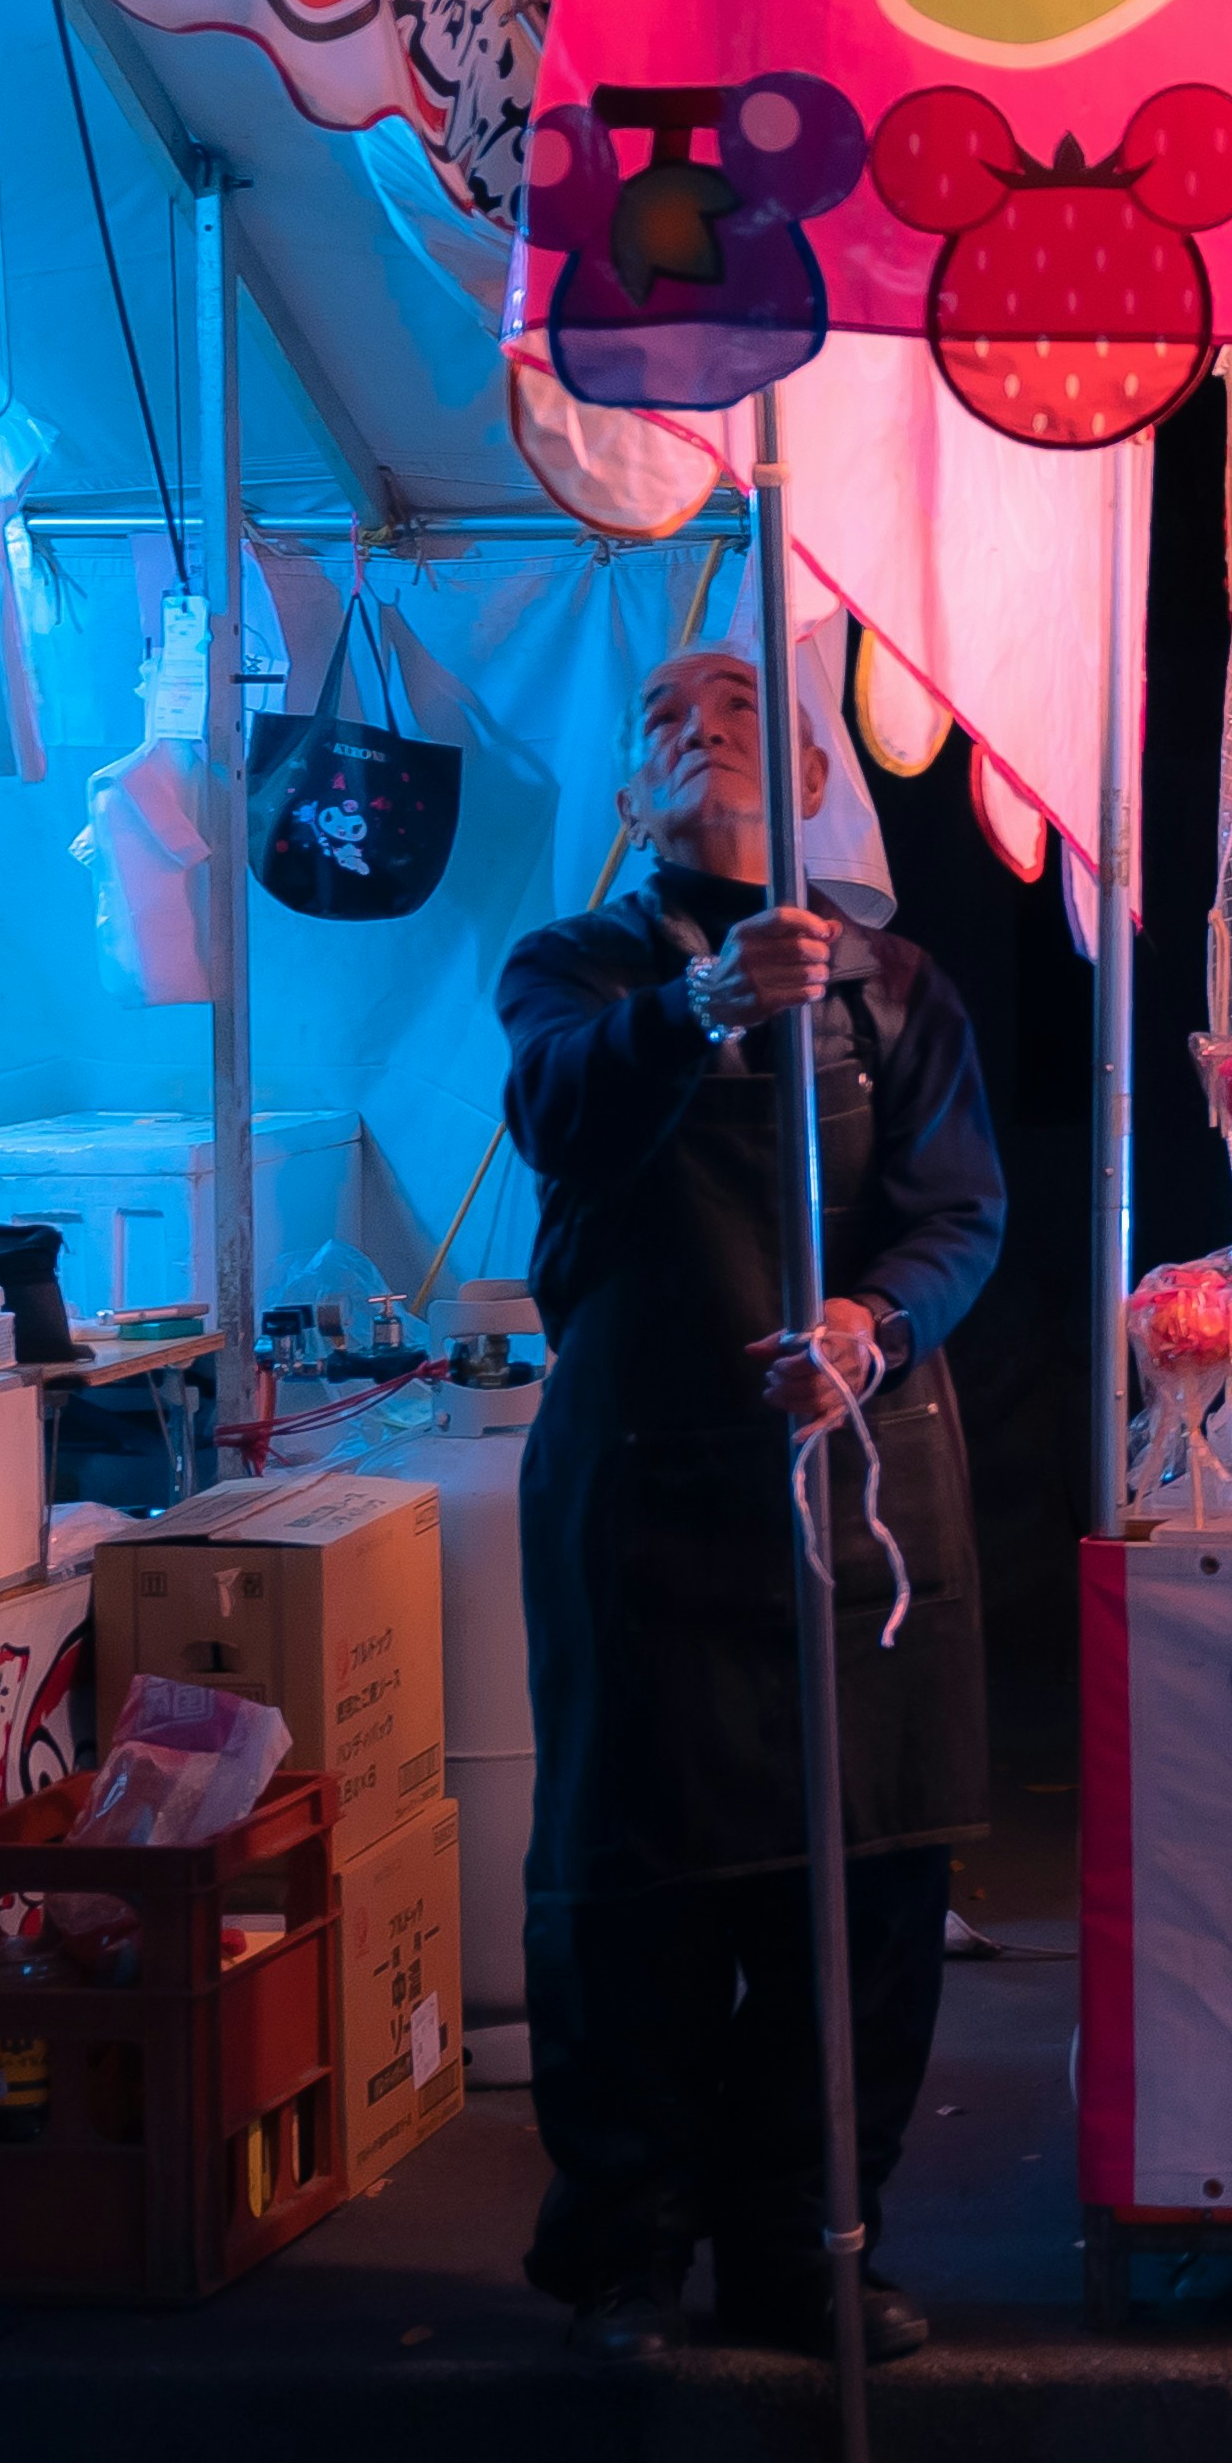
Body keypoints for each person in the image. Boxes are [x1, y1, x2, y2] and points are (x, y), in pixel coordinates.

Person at [493, 649, 1001, 2360]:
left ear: (810, 777)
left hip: (853, 1496)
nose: (699, 735)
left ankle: (814, 2245)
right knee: (632, 1884)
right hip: (643, 1490)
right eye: (661, 721)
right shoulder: (571, 972)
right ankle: (627, 2248)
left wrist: (873, 1320)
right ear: (629, 791)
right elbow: (559, 1116)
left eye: (742, 714)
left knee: (857, 1887)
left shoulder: (900, 986)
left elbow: (960, 1215)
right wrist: (699, 1009)